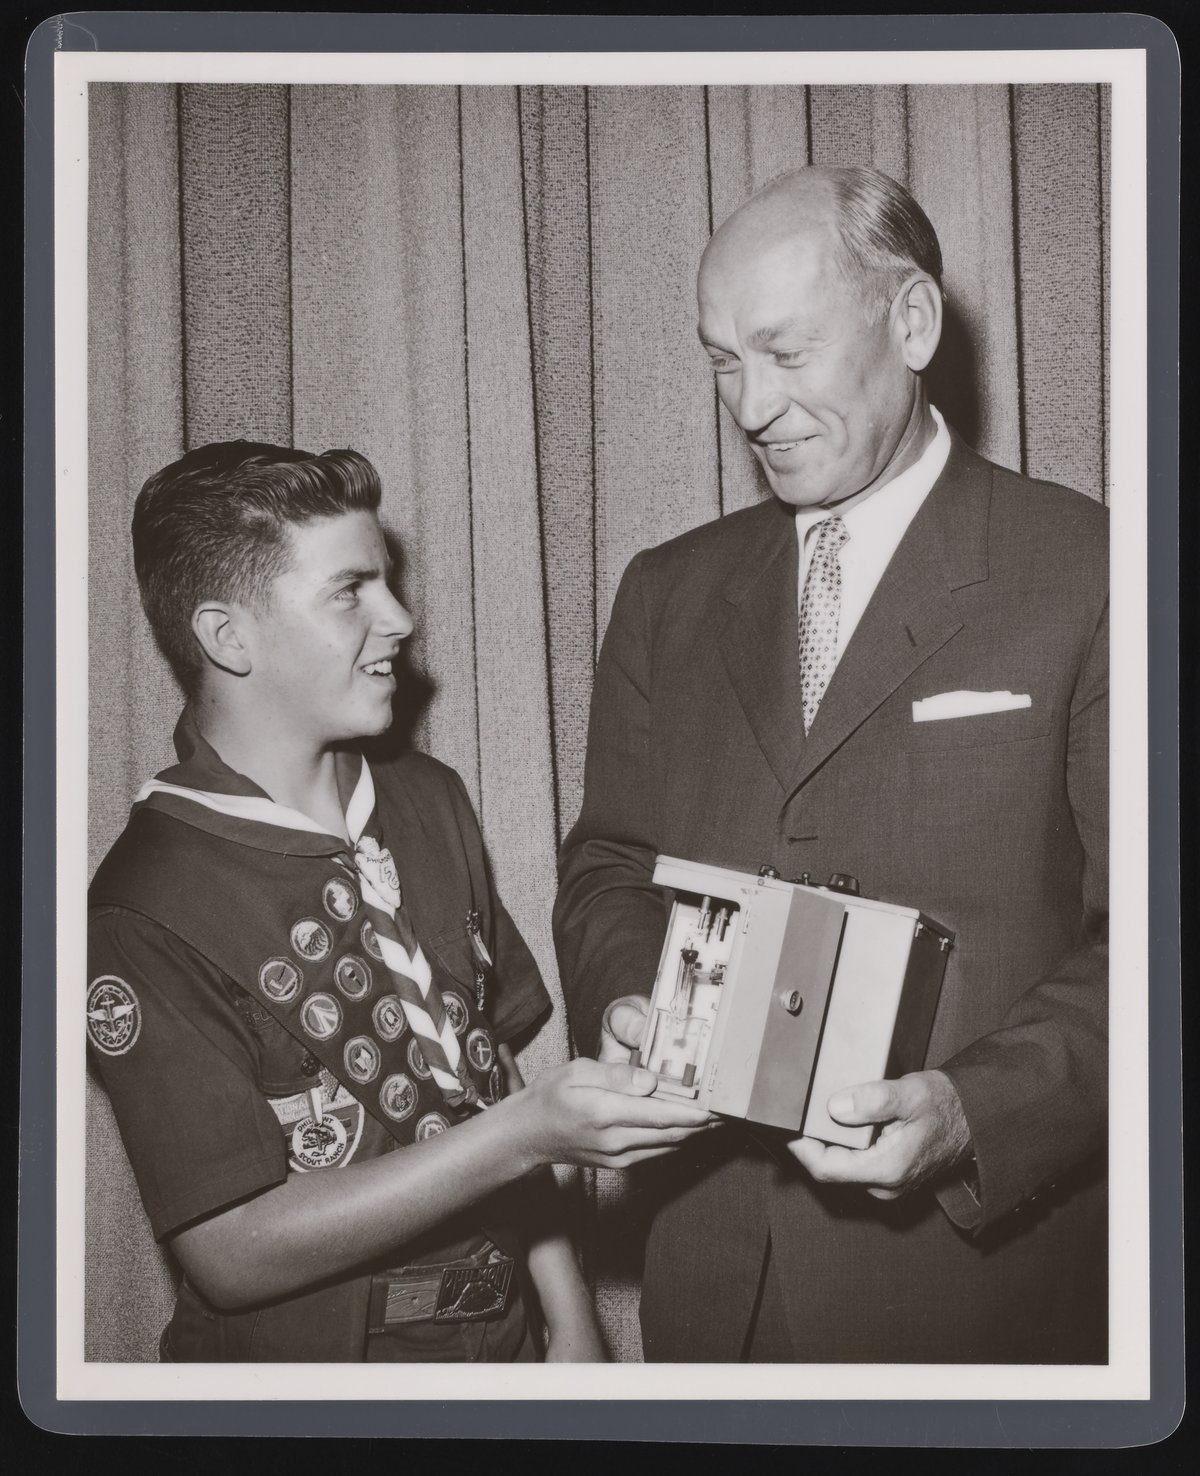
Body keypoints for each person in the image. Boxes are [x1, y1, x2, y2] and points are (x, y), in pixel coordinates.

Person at [553, 165, 1108, 1363]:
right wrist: (628, 1000)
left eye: (786, 352)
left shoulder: (1096, 571)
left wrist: (974, 1111)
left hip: (985, 1302)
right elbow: (610, 865)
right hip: (713, 1289)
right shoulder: (666, 592)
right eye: (723, 362)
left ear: (912, 323)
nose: (753, 407)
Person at [88, 441, 714, 1363]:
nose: (400, 618)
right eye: (350, 591)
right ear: (228, 638)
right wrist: (523, 1138)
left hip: (504, 1340)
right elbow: (230, 1252)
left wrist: (569, 1317)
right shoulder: (146, 906)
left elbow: (484, 1067)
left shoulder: (427, 798)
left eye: (385, 580)